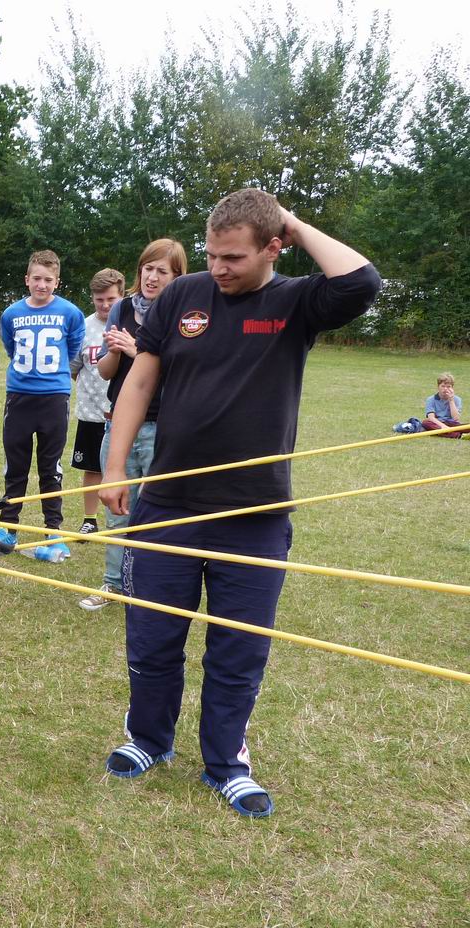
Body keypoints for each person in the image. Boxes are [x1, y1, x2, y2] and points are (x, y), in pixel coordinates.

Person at [99, 188, 382, 817]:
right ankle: (148, 739)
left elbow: (362, 281)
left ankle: (226, 762)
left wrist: (292, 221)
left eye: (233, 257)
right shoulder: (182, 295)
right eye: (211, 254)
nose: (218, 268)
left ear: (273, 248)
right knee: (152, 636)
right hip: (168, 503)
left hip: (255, 515)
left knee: (239, 649)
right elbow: (140, 380)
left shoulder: (297, 301)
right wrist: (115, 467)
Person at [80, 243, 188, 611]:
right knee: (117, 511)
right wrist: (114, 351)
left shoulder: (183, 314)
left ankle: (152, 589)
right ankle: (113, 585)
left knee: (158, 515)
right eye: (147, 269)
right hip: (119, 427)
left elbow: (181, 374)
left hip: (162, 427)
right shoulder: (122, 309)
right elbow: (105, 372)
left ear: (177, 277)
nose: (152, 277)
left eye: (162, 271)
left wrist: (136, 350)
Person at [0, 250, 86, 562]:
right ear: (27, 279)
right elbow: (10, 346)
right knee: (15, 466)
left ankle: (53, 530)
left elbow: (73, 347)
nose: (42, 285)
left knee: (50, 467)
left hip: (53, 397)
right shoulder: (11, 313)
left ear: (57, 281)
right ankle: (8, 526)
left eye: (48, 279)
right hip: (19, 396)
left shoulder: (70, 312)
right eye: (36, 278)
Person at [69, 268, 124, 543]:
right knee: (92, 469)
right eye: (99, 299)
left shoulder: (129, 323)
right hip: (91, 413)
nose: (104, 305)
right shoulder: (84, 327)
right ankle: (89, 521)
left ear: (122, 295)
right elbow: (74, 368)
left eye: (111, 299)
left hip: (124, 414)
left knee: (127, 468)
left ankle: (125, 521)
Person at [420, 373, 463, 438]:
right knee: (425, 423)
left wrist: (451, 400)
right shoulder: (430, 399)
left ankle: (443, 432)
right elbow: (431, 418)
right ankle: (458, 435)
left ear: (452, 388)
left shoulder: (457, 399)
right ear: (438, 387)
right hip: (437, 423)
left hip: (452, 424)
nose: (445, 389)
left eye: (448, 387)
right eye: (443, 386)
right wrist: (443, 426)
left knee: (467, 426)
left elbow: (456, 418)